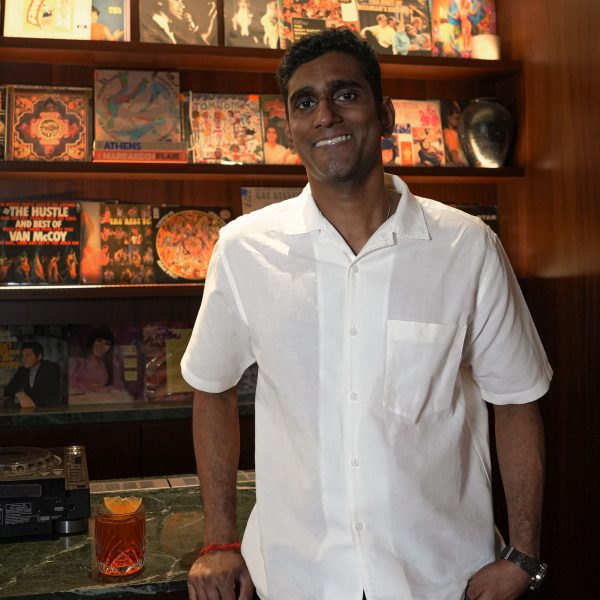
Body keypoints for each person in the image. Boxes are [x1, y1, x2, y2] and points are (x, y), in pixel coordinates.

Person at [183, 27, 551, 600]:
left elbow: (517, 400)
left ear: (385, 114)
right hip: (297, 577)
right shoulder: (244, 248)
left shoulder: (466, 246)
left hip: (440, 578)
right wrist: (219, 539)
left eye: (345, 94)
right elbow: (212, 388)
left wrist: (523, 555)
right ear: (289, 129)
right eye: (305, 102)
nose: (325, 115)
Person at [4, 342, 61, 408]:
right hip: (27, 409)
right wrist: (19, 394)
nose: (24, 359)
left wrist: (24, 398)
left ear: (39, 357)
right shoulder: (22, 370)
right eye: (23, 356)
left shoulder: (51, 367)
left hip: (48, 409)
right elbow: (7, 390)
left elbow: (49, 394)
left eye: (28, 355)